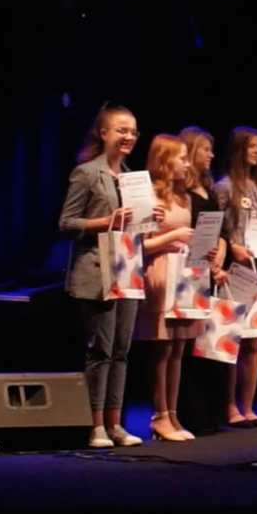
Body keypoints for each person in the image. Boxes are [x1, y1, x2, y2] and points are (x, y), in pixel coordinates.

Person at [59, 102, 158, 448]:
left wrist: (151, 218)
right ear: (103, 133)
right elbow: (67, 223)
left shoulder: (133, 178)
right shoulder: (87, 173)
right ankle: (95, 426)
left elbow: (136, 227)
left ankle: (115, 425)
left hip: (127, 270)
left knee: (120, 352)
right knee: (100, 351)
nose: (129, 136)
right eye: (121, 130)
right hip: (97, 270)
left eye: (133, 131)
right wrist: (106, 221)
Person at [133, 134, 204, 441]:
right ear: (164, 161)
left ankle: (172, 414)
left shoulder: (182, 195)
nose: (187, 164)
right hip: (160, 272)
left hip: (184, 273)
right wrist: (172, 238)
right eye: (182, 158)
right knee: (162, 348)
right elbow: (140, 246)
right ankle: (159, 415)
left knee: (179, 347)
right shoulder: (149, 197)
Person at [214, 126, 257, 428]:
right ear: (238, 149)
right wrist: (232, 246)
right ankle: (229, 406)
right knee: (231, 341)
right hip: (235, 272)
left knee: (254, 343)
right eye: (251, 146)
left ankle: (248, 407)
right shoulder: (224, 187)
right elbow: (217, 228)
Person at [175, 126, 229, 436]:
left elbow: (220, 230)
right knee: (188, 345)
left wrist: (219, 257)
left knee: (209, 344)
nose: (211, 155)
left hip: (210, 270)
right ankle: (190, 413)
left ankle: (211, 412)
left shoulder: (208, 189)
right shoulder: (180, 192)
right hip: (187, 271)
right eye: (206, 149)